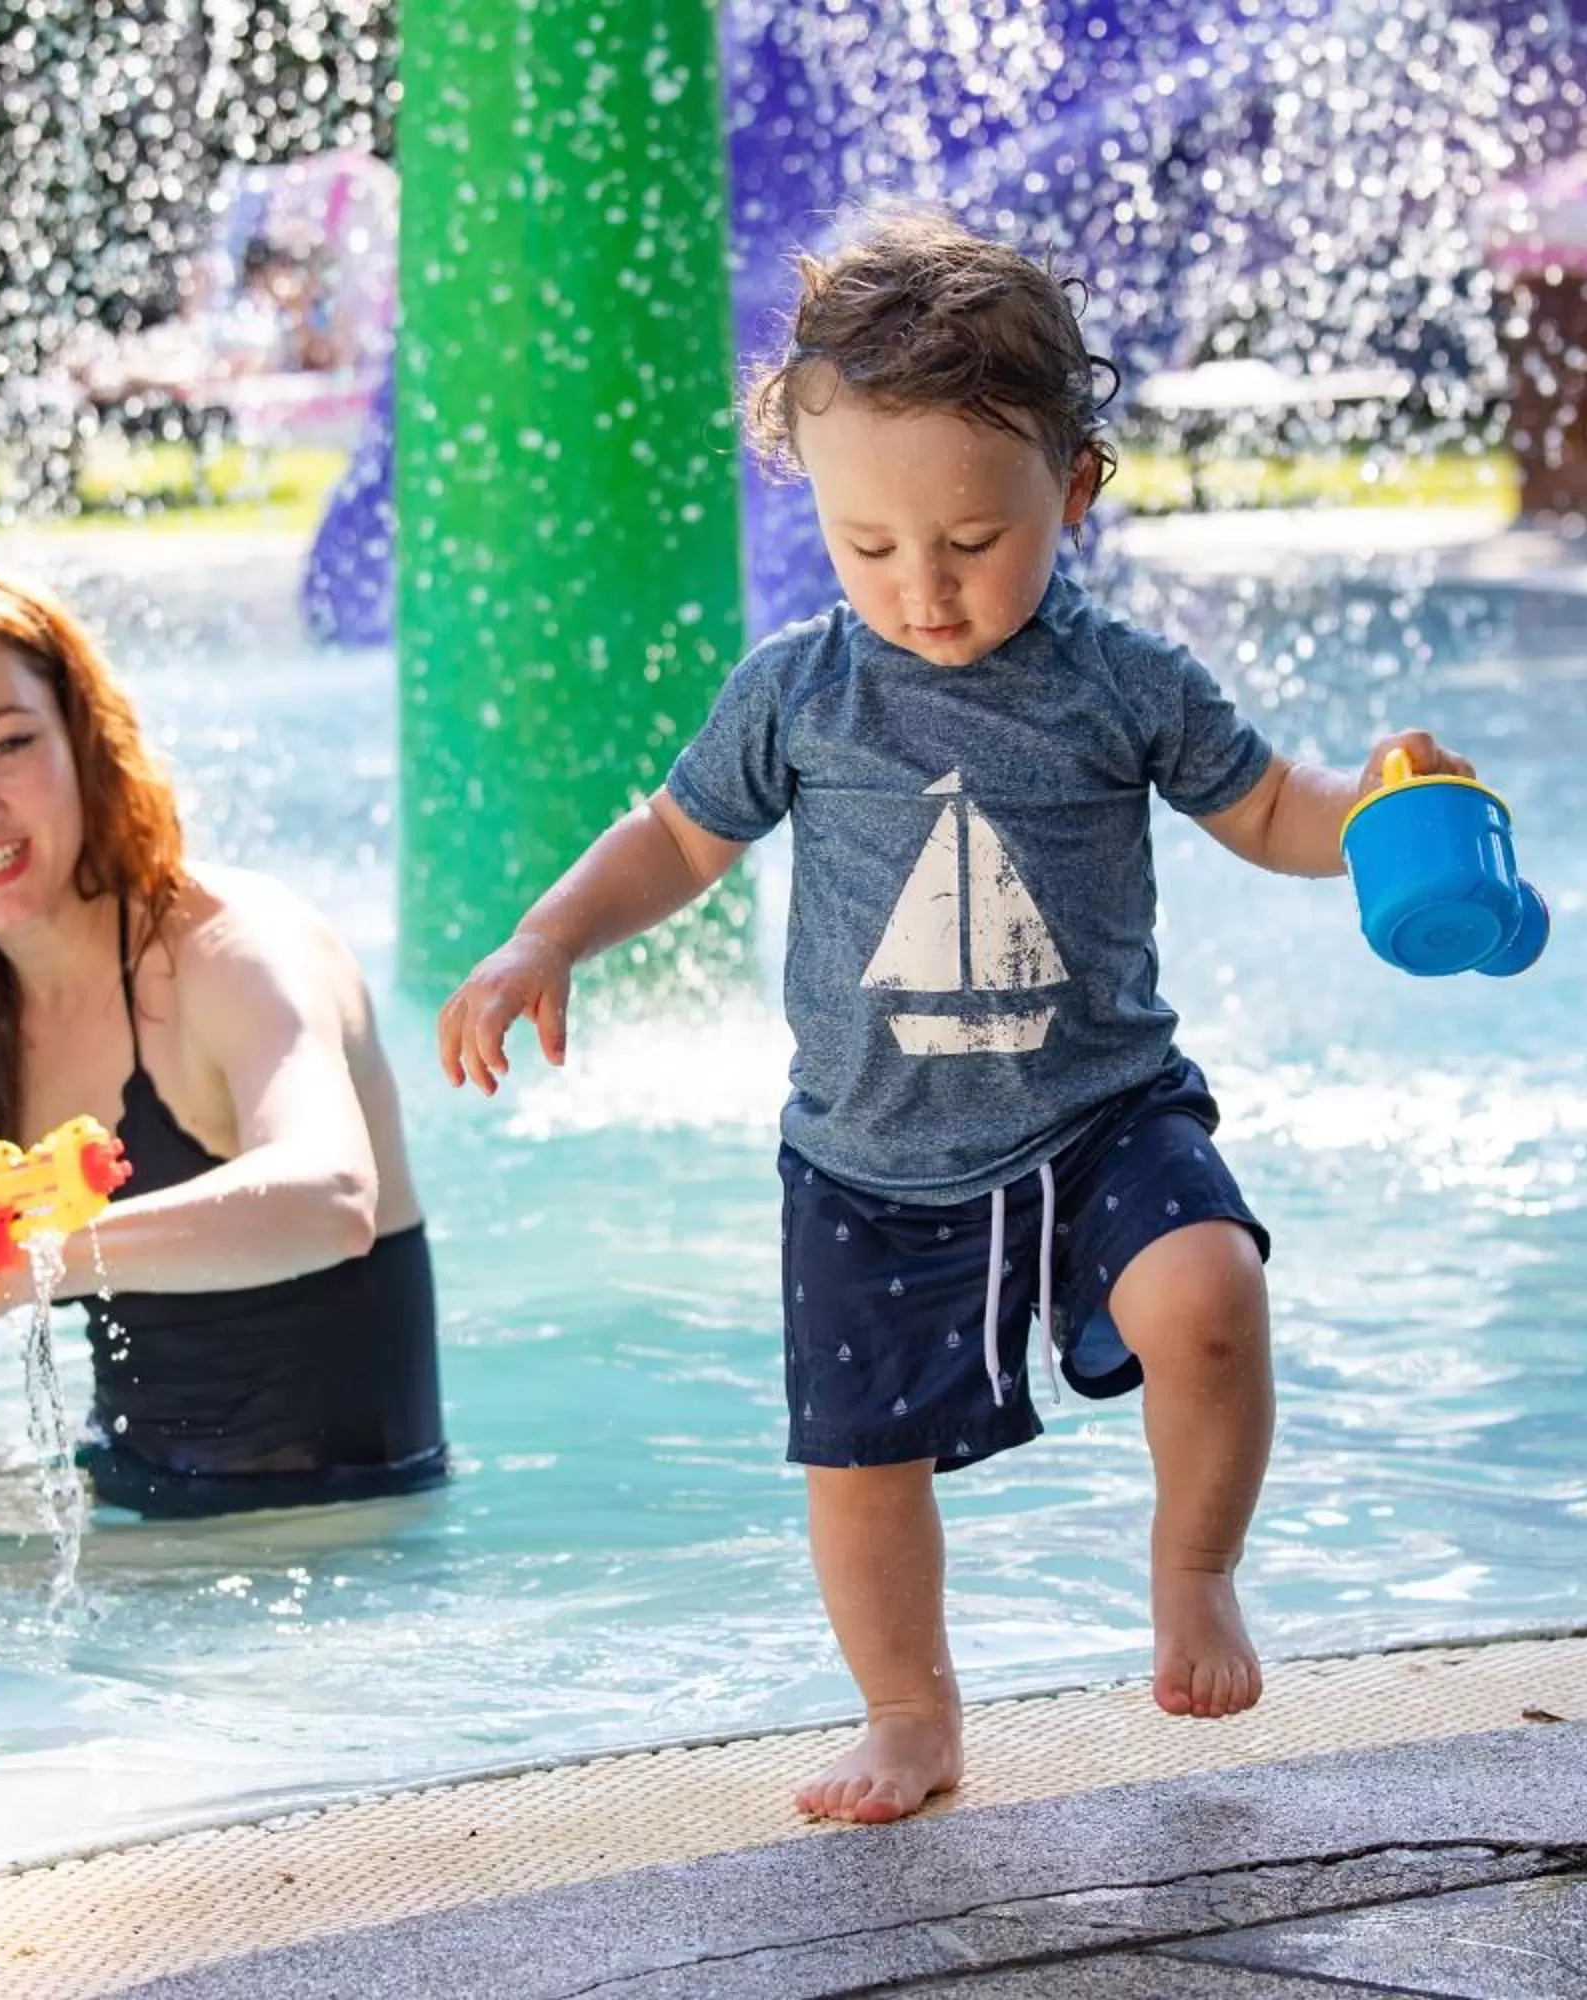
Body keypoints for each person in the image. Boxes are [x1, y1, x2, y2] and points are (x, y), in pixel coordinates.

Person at [436, 209, 1483, 1825]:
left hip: (1103, 1113)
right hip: (871, 1158)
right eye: (869, 548)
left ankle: (1195, 1569)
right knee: (859, 1464)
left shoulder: (1122, 679)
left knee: (1211, 1296)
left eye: (973, 543)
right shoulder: (801, 691)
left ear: (1072, 491)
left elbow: (1268, 806)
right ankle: (909, 1715)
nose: (922, 589)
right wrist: (544, 936)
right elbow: (674, 836)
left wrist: (1379, 814)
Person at [0, 565, 447, 1518]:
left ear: (81, 738)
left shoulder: (227, 947)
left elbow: (330, 1199)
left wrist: (29, 1252)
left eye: (10, 745)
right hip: (129, 1496)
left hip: (333, 1532)